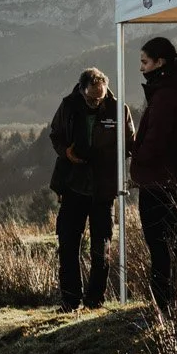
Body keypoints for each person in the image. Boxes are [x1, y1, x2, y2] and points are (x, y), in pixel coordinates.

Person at [47, 68, 131, 312]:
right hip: (73, 185)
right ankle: (70, 301)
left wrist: (109, 159)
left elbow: (129, 142)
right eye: (91, 98)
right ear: (81, 89)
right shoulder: (68, 106)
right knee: (68, 245)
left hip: (103, 189)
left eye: (100, 98)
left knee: (101, 248)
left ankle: (94, 301)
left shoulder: (118, 109)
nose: (96, 102)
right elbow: (55, 135)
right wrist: (66, 152)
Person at [128, 36, 177, 313]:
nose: (141, 68)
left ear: (160, 62)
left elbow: (156, 141)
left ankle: (163, 307)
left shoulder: (166, 95)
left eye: (145, 62)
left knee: (160, 250)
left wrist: (135, 152)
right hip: (175, 181)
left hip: (159, 183)